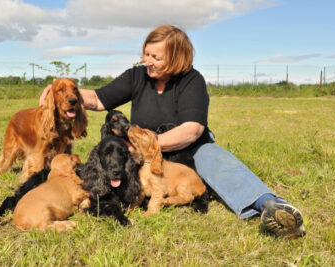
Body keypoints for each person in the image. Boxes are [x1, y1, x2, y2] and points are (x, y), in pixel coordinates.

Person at [40, 25, 306, 238]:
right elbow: (97, 99)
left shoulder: (192, 81)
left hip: (189, 151)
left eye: (156, 57)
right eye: (146, 54)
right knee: (106, 161)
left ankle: (270, 206)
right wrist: (64, 92)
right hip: (143, 153)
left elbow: (192, 130)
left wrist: (148, 147)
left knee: (217, 161)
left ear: (177, 57)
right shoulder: (137, 76)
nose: (147, 61)